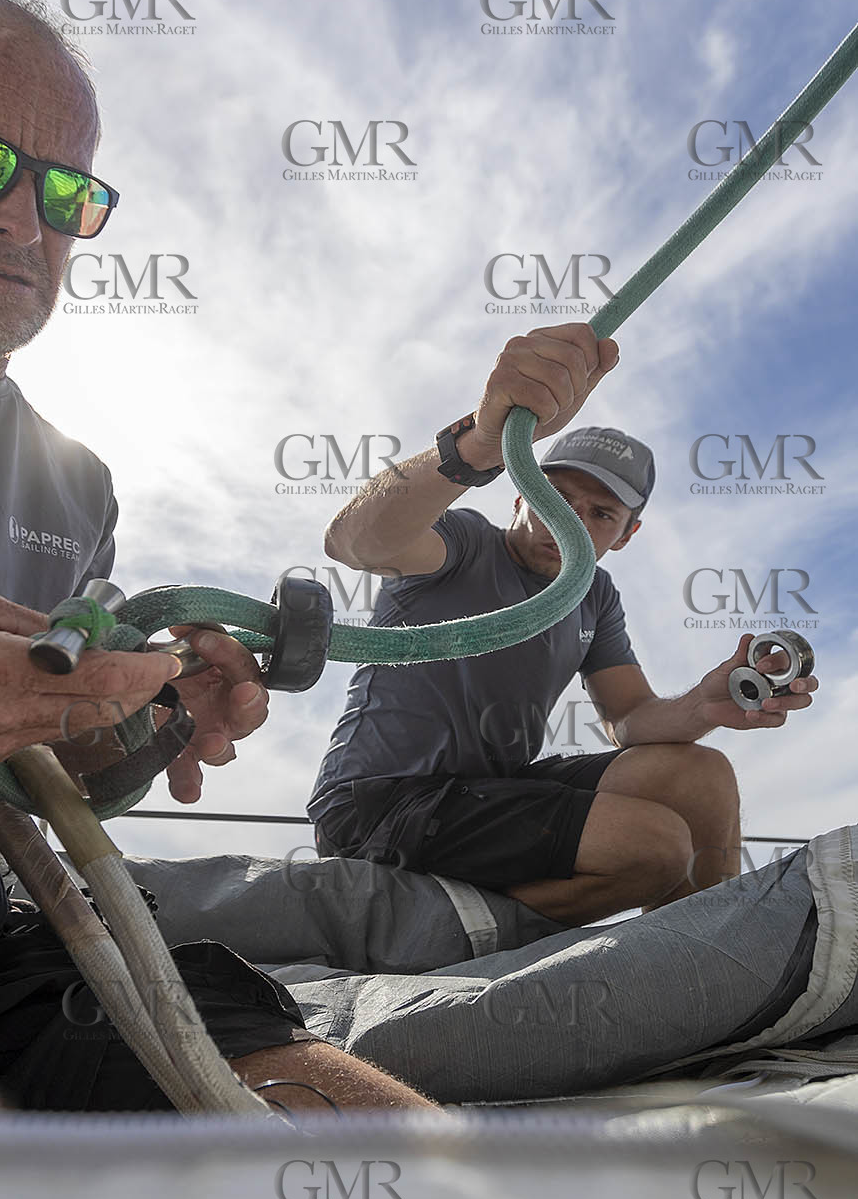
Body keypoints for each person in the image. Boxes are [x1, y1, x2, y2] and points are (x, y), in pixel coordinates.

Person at [0, 0, 433, 1115]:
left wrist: (152, 712)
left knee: (387, 1158)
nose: (19, 217)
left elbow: (62, 772)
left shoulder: (75, 485)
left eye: (64, 191)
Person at [307, 328, 817, 925]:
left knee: (700, 775)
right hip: (377, 803)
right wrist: (475, 446)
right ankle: (445, 939)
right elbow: (354, 542)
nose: (569, 520)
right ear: (521, 493)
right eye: (555, 494)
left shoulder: (594, 594)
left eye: (600, 514)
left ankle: (713, 965)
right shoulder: (466, 542)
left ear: (626, 536)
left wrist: (703, 705)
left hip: (487, 795)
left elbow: (629, 719)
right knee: (654, 847)